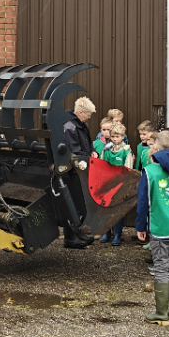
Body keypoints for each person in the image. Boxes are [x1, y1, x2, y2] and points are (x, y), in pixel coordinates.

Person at [135, 130, 169, 326]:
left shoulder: (149, 171)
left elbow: (143, 202)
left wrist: (140, 225)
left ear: (156, 147)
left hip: (159, 227)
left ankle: (161, 313)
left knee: (161, 268)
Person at [60, 96, 98, 249]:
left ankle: (78, 233)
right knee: (74, 203)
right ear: (80, 112)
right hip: (73, 170)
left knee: (81, 203)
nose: (90, 117)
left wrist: (93, 151)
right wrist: (88, 157)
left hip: (83, 167)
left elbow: (89, 144)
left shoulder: (82, 125)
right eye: (88, 114)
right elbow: (75, 150)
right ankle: (70, 237)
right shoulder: (69, 126)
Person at [98, 123, 135, 246]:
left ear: (123, 136)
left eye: (117, 136)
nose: (114, 139)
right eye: (113, 136)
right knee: (106, 208)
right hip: (108, 183)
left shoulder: (126, 151)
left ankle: (117, 234)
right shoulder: (106, 149)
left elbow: (128, 169)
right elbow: (102, 165)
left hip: (120, 184)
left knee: (118, 210)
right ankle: (106, 232)